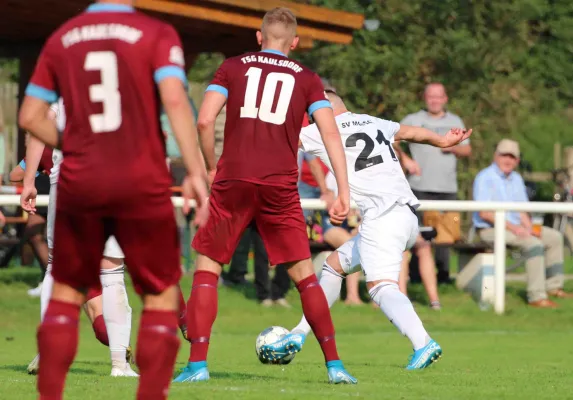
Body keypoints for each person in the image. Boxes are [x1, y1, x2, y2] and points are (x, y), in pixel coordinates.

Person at [18, 1, 209, 399]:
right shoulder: (156, 33)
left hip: (77, 179)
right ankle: (135, 376)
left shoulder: (62, 39)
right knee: (154, 289)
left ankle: (50, 389)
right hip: (137, 173)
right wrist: (196, 171)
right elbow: (175, 102)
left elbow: (31, 118)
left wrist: (81, 147)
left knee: (65, 281)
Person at [174, 7, 356, 384]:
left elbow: (205, 119)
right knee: (305, 277)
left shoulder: (232, 67)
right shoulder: (307, 79)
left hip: (234, 178)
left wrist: (210, 166)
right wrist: (343, 189)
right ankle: (335, 367)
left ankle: (197, 366)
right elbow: (330, 133)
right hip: (280, 185)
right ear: (295, 42)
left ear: (258, 37)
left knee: (208, 268)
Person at [270, 90, 471, 369]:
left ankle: (422, 342)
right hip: (406, 216)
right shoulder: (372, 121)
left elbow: (275, 141)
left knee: (380, 287)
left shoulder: (320, 131)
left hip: (383, 217)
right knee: (333, 265)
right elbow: (412, 131)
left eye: (311, 111)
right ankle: (299, 334)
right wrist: (443, 140)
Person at [22, 101, 137, 377]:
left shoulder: (64, 73)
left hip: (70, 178)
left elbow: (39, 126)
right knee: (111, 270)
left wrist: (28, 181)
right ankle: (119, 364)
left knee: (57, 264)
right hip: (113, 178)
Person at [473, 139, 573, 308]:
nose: (508, 160)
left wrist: (529, 227)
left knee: (554, 237)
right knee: (533, 244)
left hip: (514, 228)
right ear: (495, 156)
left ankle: (554, 287)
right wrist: (516, 229)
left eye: (512, 157)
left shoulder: (516, 179)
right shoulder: (485, 177)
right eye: (504, 155)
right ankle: (536, 296)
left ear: (517, 161)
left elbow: (522, 210)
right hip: (490, 228)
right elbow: (485, 214)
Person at [399, 83, 471, 284]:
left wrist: (451, 147)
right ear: (425, 98)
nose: (434, 100)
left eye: (438, 97)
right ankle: (415, 278)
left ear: (445, 99)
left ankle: (443, 278)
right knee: (417, 235)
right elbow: (390, 139)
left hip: (447, 188)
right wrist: (405, 159)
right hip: (418, 186)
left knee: (445, 237)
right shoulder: (413, 120)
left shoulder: (455, 121)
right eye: (431, 96)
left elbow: (467, 150)